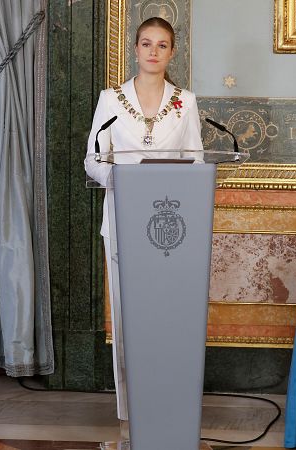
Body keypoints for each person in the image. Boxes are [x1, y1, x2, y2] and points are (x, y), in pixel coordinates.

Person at [84, 17, 203, 420]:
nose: (153, 51)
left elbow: (195, 159)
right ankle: (131, 408)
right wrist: (120, 178)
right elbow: (93, 158)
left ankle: (166, 400)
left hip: (170, 225)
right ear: (135, 49)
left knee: (166, 313)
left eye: (162, 45)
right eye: (146, 43)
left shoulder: (185, 102)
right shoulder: (110, 99)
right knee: (128, 312)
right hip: (123, 217)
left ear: (172, 52)